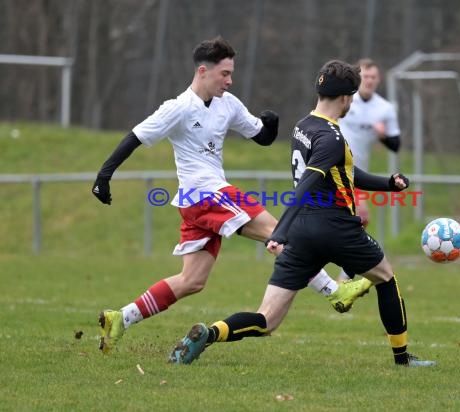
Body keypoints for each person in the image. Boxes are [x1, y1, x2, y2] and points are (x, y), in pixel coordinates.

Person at [92, 37, 372, 354]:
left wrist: (271, 125)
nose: (229, 80)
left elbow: (260, 136)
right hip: (205, 194)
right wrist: (104, 175)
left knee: (192, 280)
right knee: (279, 232)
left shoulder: (228, 103)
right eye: (224, 74)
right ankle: (334, 291)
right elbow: (135, 137)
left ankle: (121, 319)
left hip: (202, 202)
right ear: (203, 71)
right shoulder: (178, 108)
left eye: (230, 73)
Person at [169, 59, 435, 367]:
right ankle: (403, 358)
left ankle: (211, 332)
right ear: (347, 98)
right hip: (336, 228)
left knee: (266, 319)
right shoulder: (332, 137)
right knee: (386, 279)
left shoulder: (304, 126)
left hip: (302, 236)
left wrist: (388, 183)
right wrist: (278, 230)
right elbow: (307, 184)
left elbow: (344, 172)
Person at [336, 58, 401, 281]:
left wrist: (382, 135)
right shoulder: (344, 101)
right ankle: (338, 273)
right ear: (358, 78)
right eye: (365, 76)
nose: (369, 81)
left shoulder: (384, 108)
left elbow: (396, 144)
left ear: (378, 79)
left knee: (359, 219)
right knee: (352, 218)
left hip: (356, 175)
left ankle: (343, 275)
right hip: (333, 169)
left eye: (373, 77)